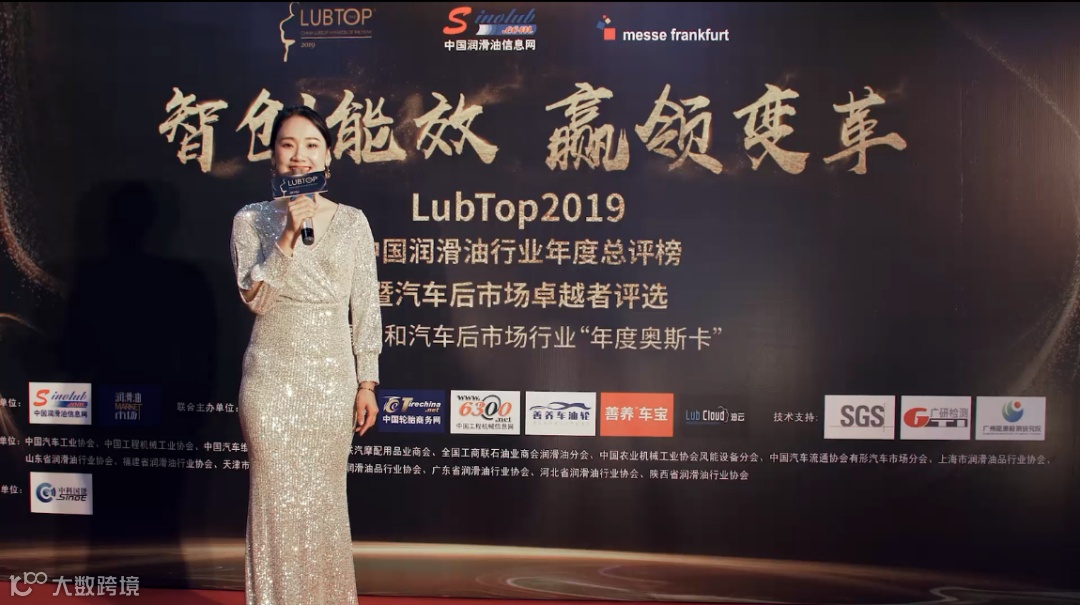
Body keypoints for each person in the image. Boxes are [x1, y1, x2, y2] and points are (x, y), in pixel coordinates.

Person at [229, 105, 382, 605]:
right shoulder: (251, 220)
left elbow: (366, 305)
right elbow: (256, 298)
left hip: (332, 382)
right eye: (288, 145)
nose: (300, 155)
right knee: (274, 504)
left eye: (311, 145)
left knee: (322, 506)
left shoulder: (353, 223)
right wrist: (288, 235)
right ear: (273, 157)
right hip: (271, 381)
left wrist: (366, 382)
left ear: (328, 156)